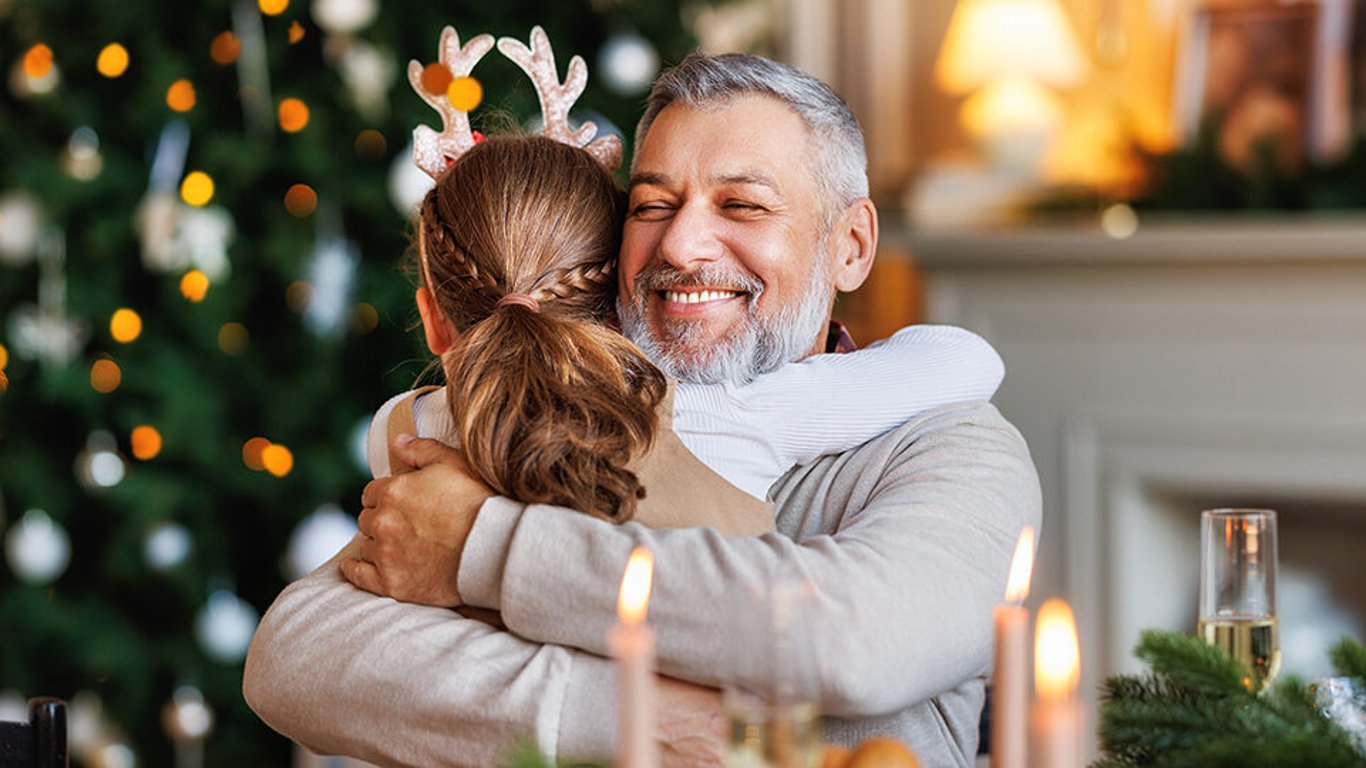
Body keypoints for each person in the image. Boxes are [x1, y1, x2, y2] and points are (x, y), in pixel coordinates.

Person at [244, 50, 1040, 768]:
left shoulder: (952, 443)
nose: (681, 245)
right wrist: (647, 721)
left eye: (742, 206)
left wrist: (484, 549)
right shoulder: (559, 417)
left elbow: (863, 640)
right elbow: (298, 653)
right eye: (653, 205)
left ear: (852, 247)